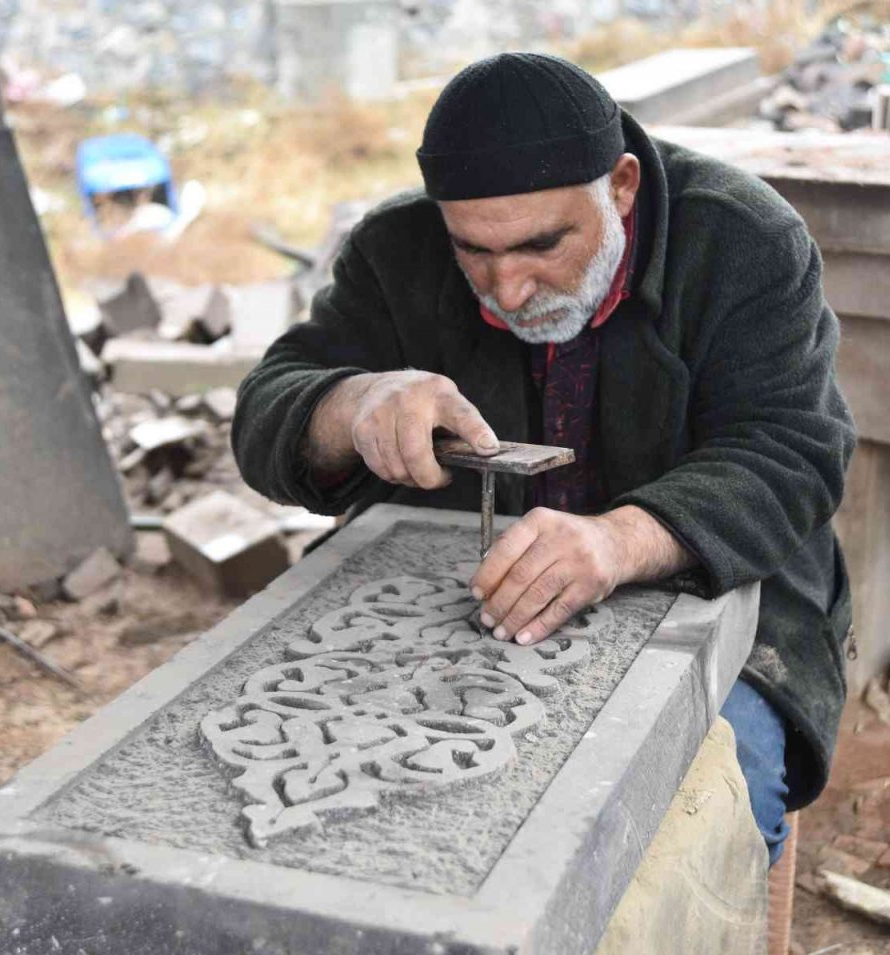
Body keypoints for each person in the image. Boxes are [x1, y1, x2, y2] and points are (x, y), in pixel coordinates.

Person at [232, 52, 856, 865]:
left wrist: (622, 538)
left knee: (676, 837)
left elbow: (793, 448)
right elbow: (267, 406)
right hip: (449, 600)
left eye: (541, 245)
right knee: (323, 812)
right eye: (474, 252)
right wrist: (349, 407)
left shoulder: (742, 240)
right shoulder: (396, 249)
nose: (509, 289)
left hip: (714, 591)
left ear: (623, 186)